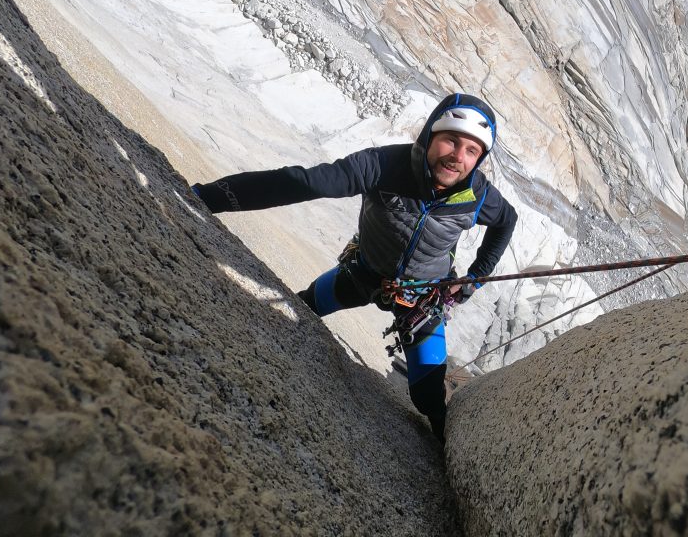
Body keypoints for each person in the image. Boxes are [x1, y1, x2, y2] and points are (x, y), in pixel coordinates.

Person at [190, 93, 518, 440]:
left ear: (481, 158)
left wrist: (475, 277)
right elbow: (308, 182)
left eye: (472, 150)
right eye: (451, 140)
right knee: (300, 308)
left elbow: (506, 221)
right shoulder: (386, 166)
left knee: (428, 401)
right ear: (430, 136)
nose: (458, 157)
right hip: (363, 274)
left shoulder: (478, 195)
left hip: (422, 300)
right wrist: (207, 197)